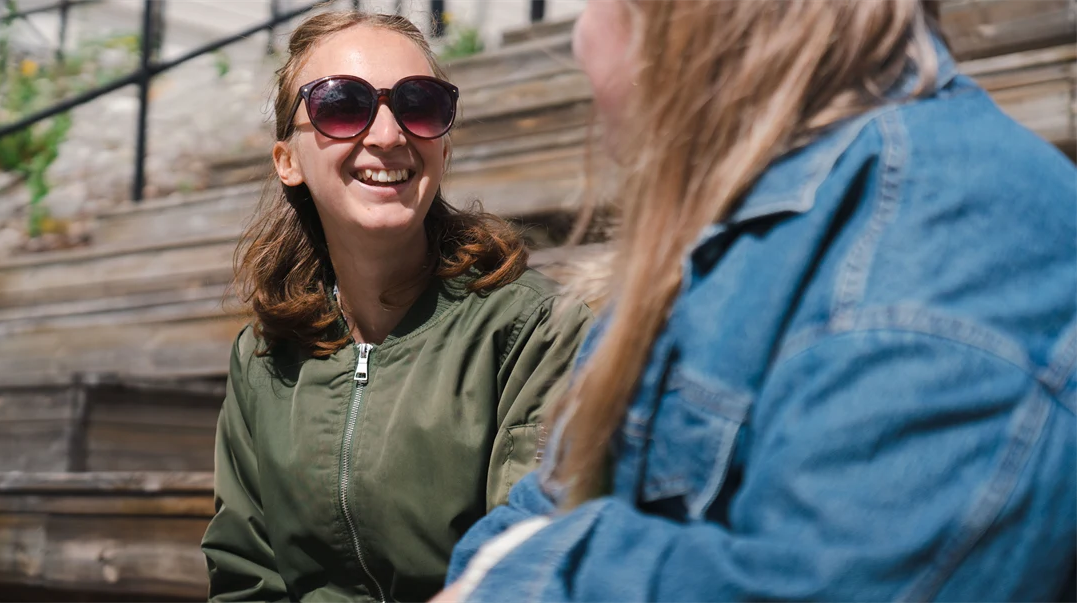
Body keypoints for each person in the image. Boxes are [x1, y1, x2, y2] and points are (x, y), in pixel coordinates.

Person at [438, 0, 1077, 601]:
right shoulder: (734, 224)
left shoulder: (946, 233)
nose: (578, 40)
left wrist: (530, 570)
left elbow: (831, 581)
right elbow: (546, 501)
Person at [199, 10, 592, 603]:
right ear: (288, 161)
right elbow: (246, 578)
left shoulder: (535, 330)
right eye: (341, 104)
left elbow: (526, 564)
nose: (388, 134)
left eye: (420, 104)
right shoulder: (262, 357)